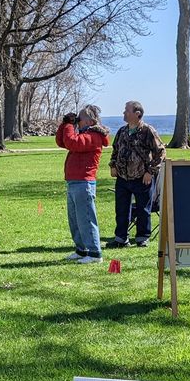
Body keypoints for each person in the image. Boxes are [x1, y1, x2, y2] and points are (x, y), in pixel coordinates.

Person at [55, 104, 110, 262]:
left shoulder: (94, 137)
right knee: (75, 220)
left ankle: (94, 253)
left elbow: (72, 142)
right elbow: (62, 142)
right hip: (74, 182)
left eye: (80, 117)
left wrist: (69, 126)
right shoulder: (84, 133)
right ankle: (82, 250)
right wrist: (65, 124)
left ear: (90, 121)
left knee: (86, 219)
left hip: (84, 183)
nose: (77, 120)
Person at [108, 100, 166, 248]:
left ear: (137, 114)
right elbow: (115, 149)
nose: (123, 113)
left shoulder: (148, 131)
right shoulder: (122, 131)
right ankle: (121, 238)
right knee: (121, 209)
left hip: (142, 177)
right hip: (122, 177)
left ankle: (142, 237)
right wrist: (113, 165)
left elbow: (160, 152)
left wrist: (150, 172)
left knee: (143, 209)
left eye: (127, 110)